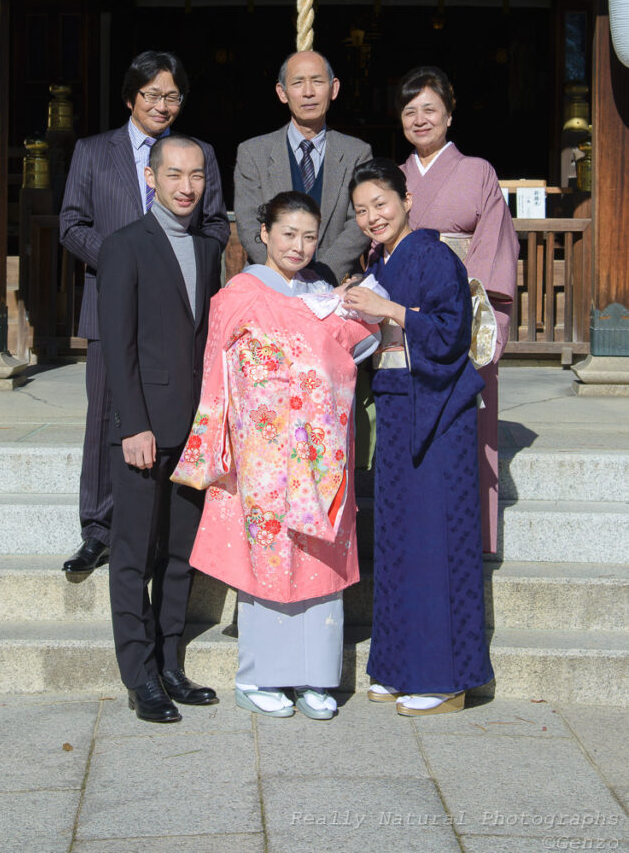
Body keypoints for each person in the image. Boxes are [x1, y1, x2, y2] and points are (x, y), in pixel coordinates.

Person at [172, 192, 380, 720]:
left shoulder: (326, 294)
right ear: (262, 232)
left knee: (320, 560)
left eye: (309, 236)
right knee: (266, 561)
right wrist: (218, 440)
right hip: (262, 452)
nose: (299, 245)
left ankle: (318, 679)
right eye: (288, 233)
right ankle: (260, 676)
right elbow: (217, 373)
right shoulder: (237, 294)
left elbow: (350, 353)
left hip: (320, 454)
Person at [60, 51, 229, 575]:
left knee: (175, 415)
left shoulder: (197, 155)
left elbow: (216, 228)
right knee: (106, 414)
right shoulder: (93, 152)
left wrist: (166, 268)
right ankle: (99, 527)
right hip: (108, 304)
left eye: (172, 95)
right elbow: (70, 223)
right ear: (130, 97)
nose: (162, 104)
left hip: (176, 315)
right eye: (152, 94)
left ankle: (167, 530)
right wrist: (122, 261)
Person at [344, 158, 493, 716]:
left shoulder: (431, 254)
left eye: (380, 203)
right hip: (398, 402)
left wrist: (388, 309)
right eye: (361, 210)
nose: (372, 217)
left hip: (437, 408)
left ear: (406, 199)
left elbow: (452, 332)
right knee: (399, 538)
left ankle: (447, 676)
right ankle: (396, 665)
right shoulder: (378, 259)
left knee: (435, 540)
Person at [96, 134, 219, 722]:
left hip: (195, 427)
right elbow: (117, 349)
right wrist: (132, 426)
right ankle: (139, 673)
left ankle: (171, 661)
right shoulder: (125, 246)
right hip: (145, 428)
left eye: (195, 175)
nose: (186, 186)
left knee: (179, 552)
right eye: (174, 175)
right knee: (132, 552)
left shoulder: (208, 247)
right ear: (151, 177)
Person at [395, 66, 518, 553]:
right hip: (404, 317)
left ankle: (471, 538)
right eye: (410, 111)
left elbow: (492, 251)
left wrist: (472, 322)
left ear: (449, 114)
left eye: (430, 109)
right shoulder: (395, 177)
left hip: (464, 317)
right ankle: (413, 536)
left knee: (465, 428)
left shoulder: (477, 172)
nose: (420, 120)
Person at [234, 51, 371, 285]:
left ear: (334, 88)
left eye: (317, 81)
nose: (308, 92)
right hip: (270, 282)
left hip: (337, 282)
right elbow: (249, 224)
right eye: (298, 83)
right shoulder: (253, 152)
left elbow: (360, 222)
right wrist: (283, 277)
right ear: (282, 93)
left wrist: (322, 278)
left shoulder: (356, 152)